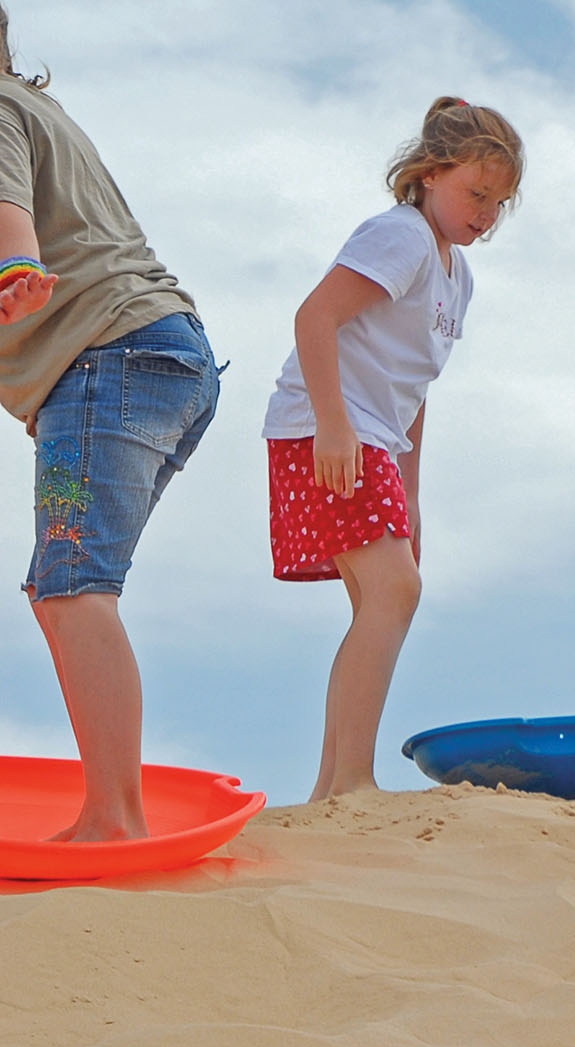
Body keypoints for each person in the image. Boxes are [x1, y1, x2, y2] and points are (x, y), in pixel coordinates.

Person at [0, 9, 219, 842]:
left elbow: (10, 219)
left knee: (72, 584)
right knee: (58, 584)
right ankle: (111, 806)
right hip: (162, 355)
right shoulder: (33, 107)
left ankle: (114, 818)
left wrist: (15, 264)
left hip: (111, 359)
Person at [264, 97, 521, 801]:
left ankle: (330, 791)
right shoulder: (401, 237)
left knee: (380, 597)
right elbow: (315, 316)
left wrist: (409, 493)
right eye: (477, 193)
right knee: (394, 590)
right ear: (430, 172)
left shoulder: (456, 277)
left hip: (375, 437)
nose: (486, 214)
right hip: (327, 428)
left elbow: (416, 387)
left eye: (499, 204)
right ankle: (350, 781)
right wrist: (334, 425)